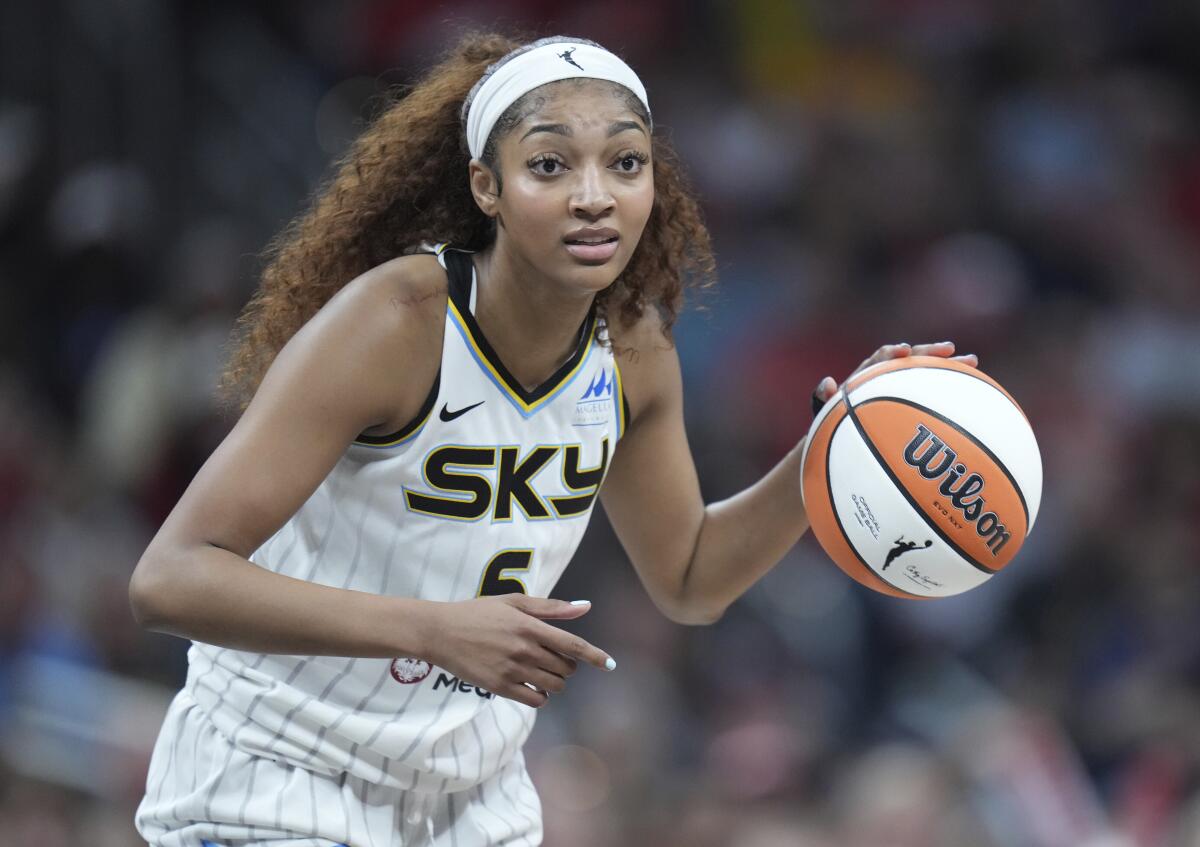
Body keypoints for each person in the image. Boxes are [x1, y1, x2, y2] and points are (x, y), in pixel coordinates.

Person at [129, 33, 977, 847]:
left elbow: (688, 577)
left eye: (625, 162)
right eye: (549, 164)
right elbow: (170, 577)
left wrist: (828, 451)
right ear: (485, 187)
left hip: (469, 802)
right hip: (276, 776)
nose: (594, 193)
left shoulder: (636, 350)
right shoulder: (395, 322)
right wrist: (432, 628)